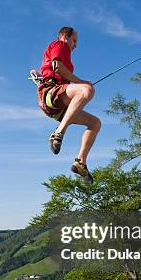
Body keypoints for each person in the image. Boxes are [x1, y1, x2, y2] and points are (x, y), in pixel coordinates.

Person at [37, 26, 101, 184]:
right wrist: (82, 82)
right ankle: (58, 133)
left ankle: (81, 162)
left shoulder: (63, 52)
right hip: (51, 94)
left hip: (59, 107)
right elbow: (57, 68)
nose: (75, 45)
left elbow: (54, 70)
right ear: (65, 37)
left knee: (95, 123)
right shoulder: (60, 45)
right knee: (87, 90)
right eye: (74, 40)